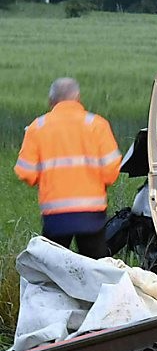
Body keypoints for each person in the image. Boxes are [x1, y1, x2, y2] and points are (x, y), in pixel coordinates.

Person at [14, 78, 122, 258]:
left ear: (51, 101)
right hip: (91, 214)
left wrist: (47, 181)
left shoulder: (37, 127)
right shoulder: (97, 124)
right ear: (78, 98)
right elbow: (111, 170)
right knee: (96, 270)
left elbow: (26, 172)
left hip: (55, 216)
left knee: (52, 269)